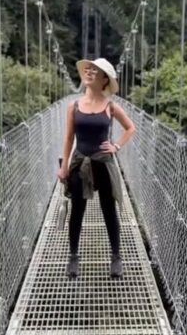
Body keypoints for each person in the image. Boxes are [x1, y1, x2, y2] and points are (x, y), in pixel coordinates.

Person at [57, 57, 136, 279]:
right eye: (88, 69)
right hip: (80, 162)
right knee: (77, 210)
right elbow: (68, 138)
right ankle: (73, 257)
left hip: (103, 162)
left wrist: (116, 145)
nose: (90, 72)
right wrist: (64, 166)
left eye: (96, 71)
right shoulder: (74, 106)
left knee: (108, 210)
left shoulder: (111, 106)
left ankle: (116, 258)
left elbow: (131, 128)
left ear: (104, 80)